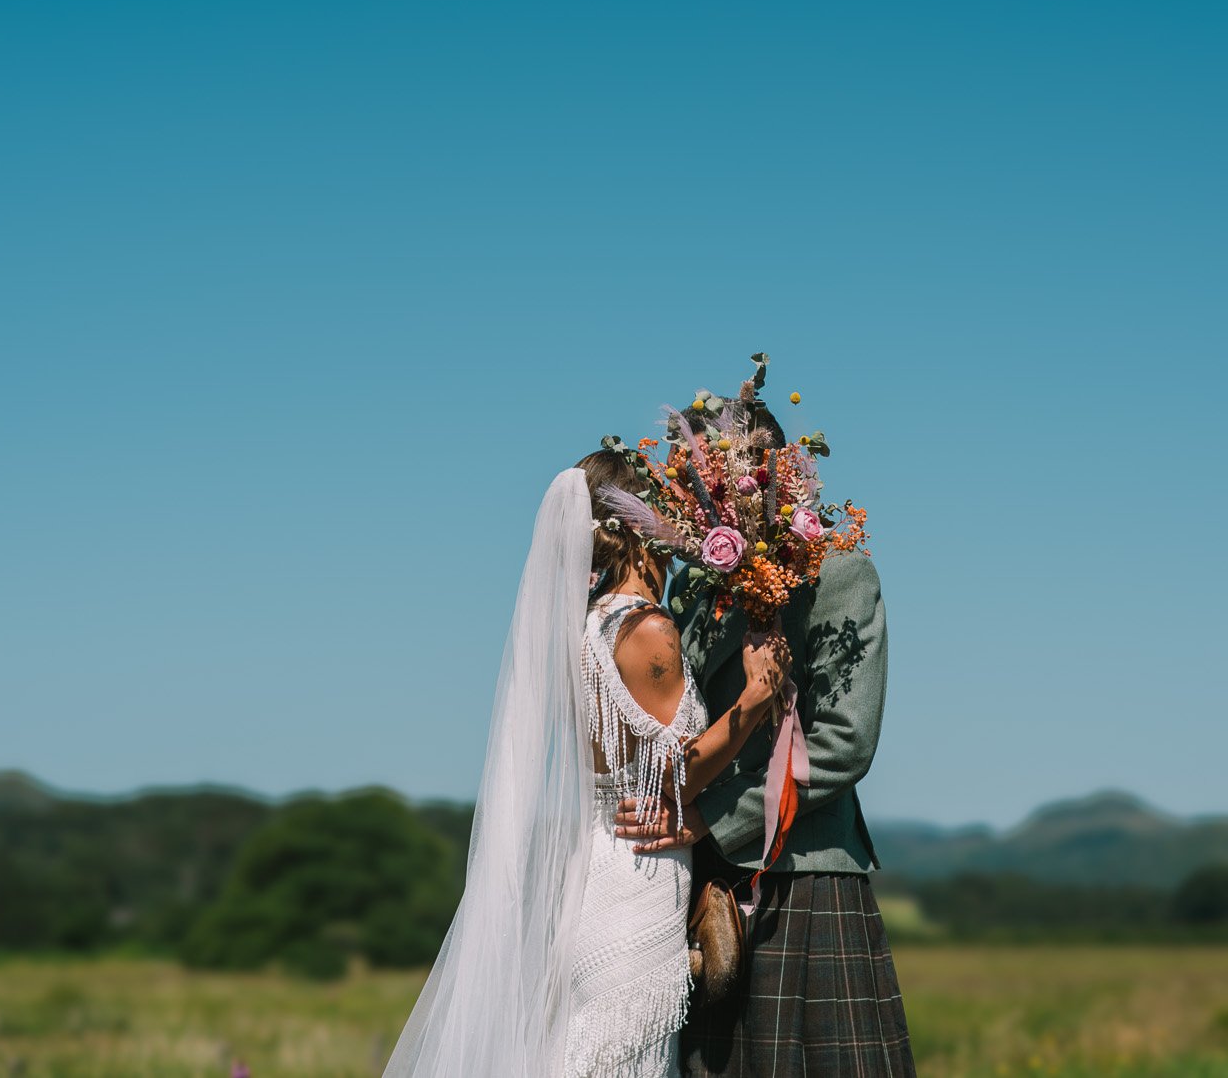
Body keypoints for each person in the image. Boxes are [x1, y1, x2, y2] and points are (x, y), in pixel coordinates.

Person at [381, 449, 787, 1078]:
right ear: (636, 524)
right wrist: (756, 702)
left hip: (597, 864)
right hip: (637, 875)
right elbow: (675, 778)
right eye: (666, 509)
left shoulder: (589, 624)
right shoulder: (650, 629)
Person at [616, 399, 917, 1078]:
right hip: (704, 885)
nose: (710, 481)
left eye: (726, 465)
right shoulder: (693, 582)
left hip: (806, 875)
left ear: (779, 469)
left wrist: (710, 817)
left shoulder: (840, 575)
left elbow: (844, 742)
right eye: (698, 469)